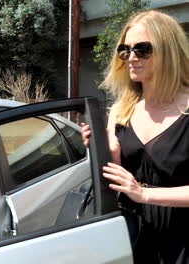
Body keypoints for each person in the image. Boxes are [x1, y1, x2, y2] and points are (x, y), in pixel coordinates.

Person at [81, 10, 189, 263]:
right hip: (135, 232)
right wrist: (105, 153)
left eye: (142, 49)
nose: (131, 57)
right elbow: (117, 178)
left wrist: (143, 194)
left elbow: (137, 189)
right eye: (125, 50)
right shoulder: (121, 109)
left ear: (168, 51)